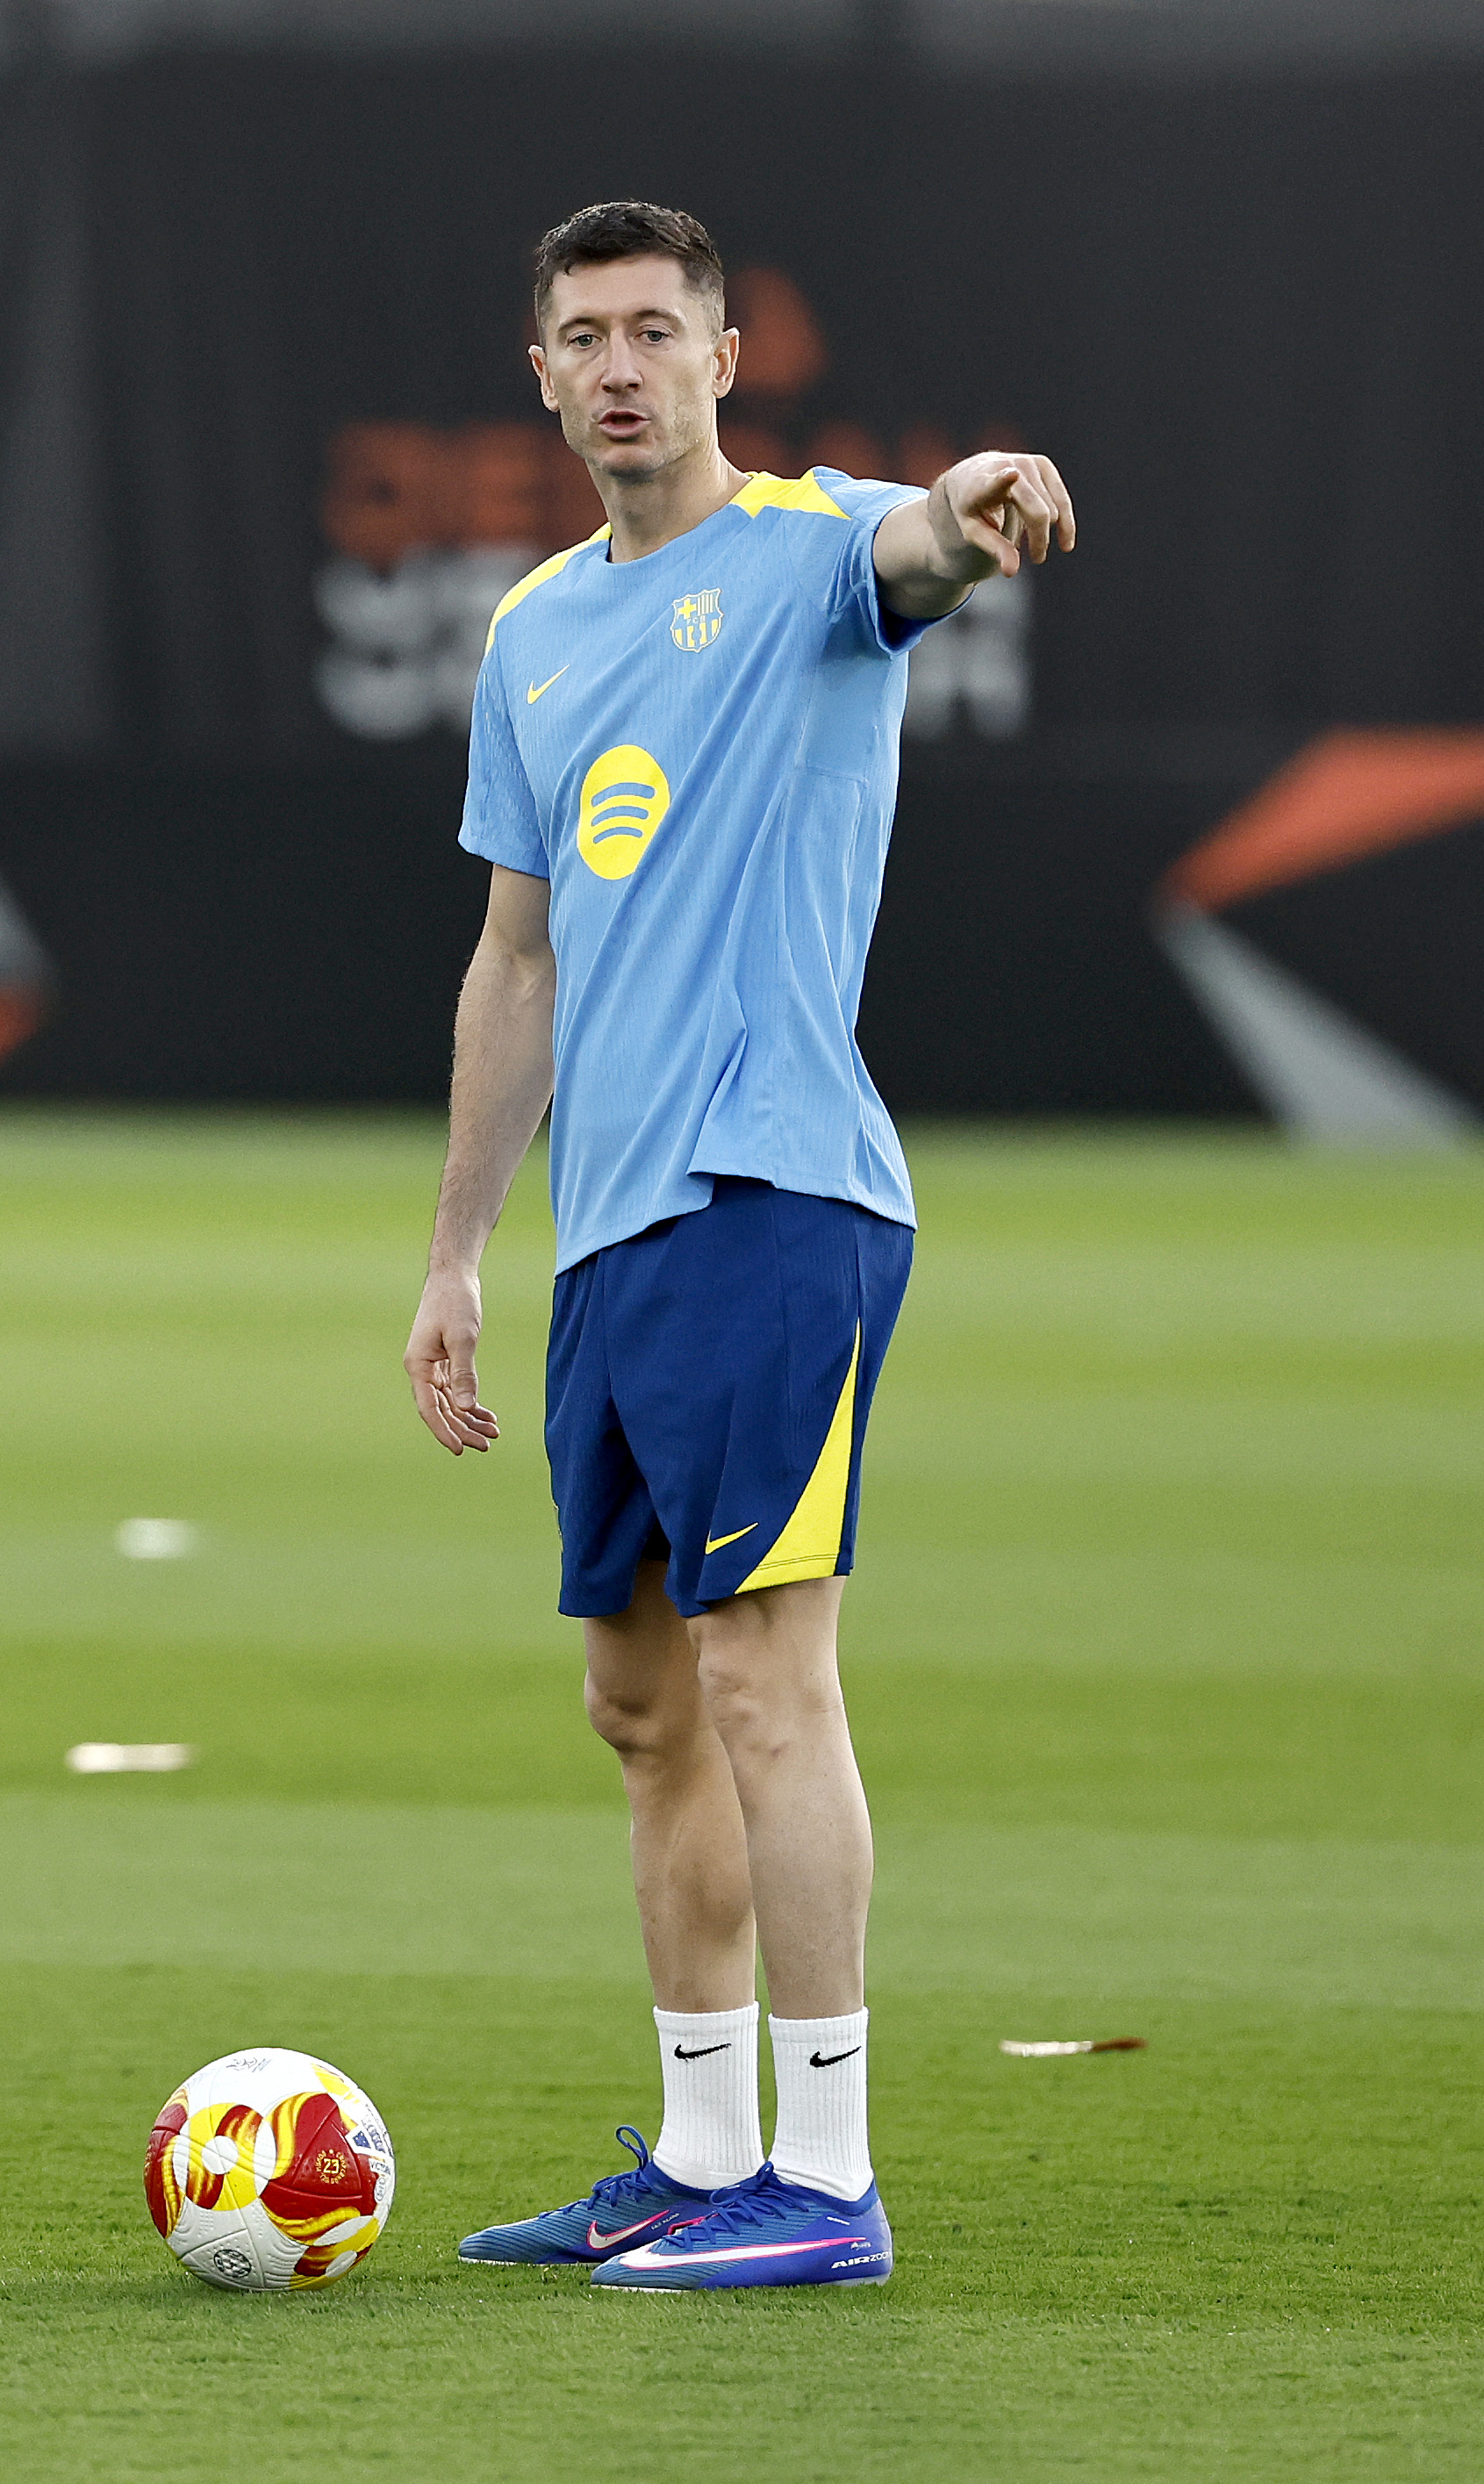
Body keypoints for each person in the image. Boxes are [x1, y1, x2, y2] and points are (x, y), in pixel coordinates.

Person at [401, 202, 1074, 2290]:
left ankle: (830, 2174)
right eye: (584, 335)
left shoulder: (804, 546)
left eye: (655, 330)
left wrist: (980, 502)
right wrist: (457, 1251)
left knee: (769, 1679)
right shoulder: (534, 631)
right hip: (609, 1233)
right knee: (642, 1703)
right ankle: (702, 2148)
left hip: (774, 1193)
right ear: (540, 374)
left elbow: (926, 546)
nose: (621, 366)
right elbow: (516, 959)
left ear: (723, 356)